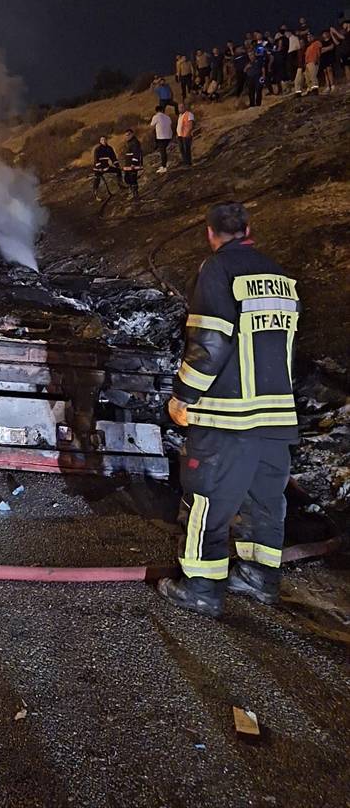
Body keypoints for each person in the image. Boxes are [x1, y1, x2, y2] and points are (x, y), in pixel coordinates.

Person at [158, 202, 300, 618]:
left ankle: (201, 588)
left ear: (210, 233)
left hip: (229, 416)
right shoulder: (281, 278)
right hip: (276, 417)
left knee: (207, 499)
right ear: (248, 229)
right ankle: (260, 578)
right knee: (265, 500)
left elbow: (210, 342)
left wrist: (183, 394)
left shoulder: (218, 270)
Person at [150, 105, 173, 172]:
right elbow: (170, 124)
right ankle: (164, 164)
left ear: (156, 111)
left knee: (162, 152)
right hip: (168, 136)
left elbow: (151, 125)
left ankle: (164, 166)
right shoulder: (168, 117)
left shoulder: (156, 117)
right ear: (163, 110)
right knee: (164, 151)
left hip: (161, 137)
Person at [122, 128, 143, 200]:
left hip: (133, 164)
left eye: (128, 135)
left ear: (132, 134)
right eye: (126, 135)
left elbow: (136, 153)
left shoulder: (135, 142)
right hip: (128, 164)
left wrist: (134, 163)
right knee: (127, 178)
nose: (127, 136)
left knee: (132, 178)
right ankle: (132, 192)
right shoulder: (129, 142)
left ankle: (135, 194)